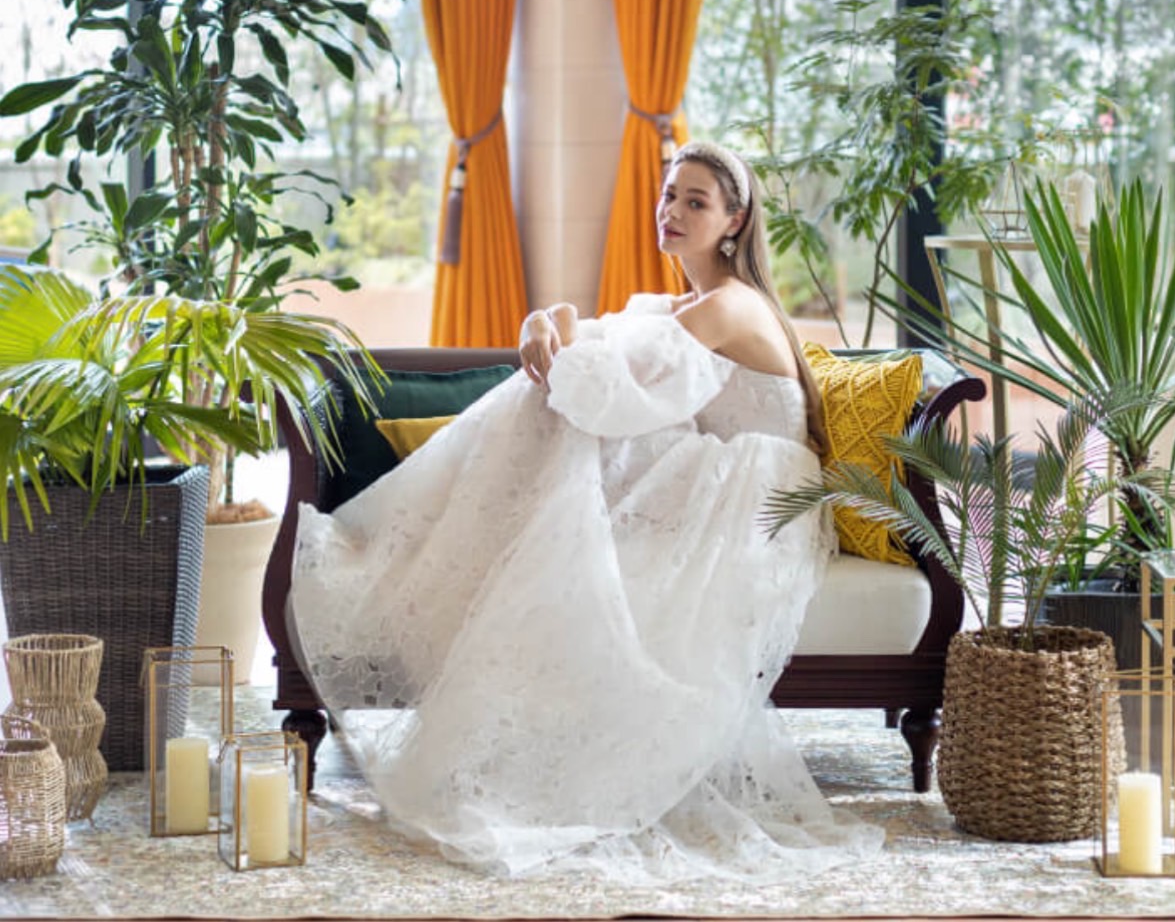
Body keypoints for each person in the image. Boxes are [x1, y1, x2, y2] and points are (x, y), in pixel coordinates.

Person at [289, 141, 883, 883]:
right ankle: (423, 544)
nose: (671, 211)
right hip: (717, 476)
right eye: (668, 195)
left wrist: (552, 340)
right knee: (556, 414)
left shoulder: (728, 305)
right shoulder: (686, 305)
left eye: (695, 202)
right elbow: (605, 350)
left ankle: (391, 546)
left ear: (734, 221)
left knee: (558, 410)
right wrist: (543, 320)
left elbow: (605, 385)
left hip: (753, 499)